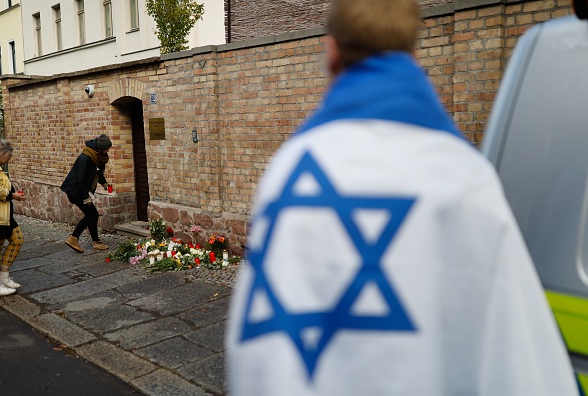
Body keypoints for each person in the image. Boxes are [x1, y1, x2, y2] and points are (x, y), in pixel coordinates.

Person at [225, 0, 579, 395]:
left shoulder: (290, 173)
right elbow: (515, 354)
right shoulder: (465, 175)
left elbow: (261, 345)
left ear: (331, 52)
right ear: (413, 52)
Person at [61, 134, 112, 253]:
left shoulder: (96, 158)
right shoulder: (86, 158)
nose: (107, 151)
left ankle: (96, 241)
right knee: (92, 214)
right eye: (106, 149)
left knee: (92, 214)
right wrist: (85, 197)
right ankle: (73, 238)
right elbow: (79, 179)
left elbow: (97, 172)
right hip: (75, 191)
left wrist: (104, 183)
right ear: (100, 149)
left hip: (81, 190)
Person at [0, 138, 25, 296]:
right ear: (0, 153)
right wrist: (12, 195)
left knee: (17, 239)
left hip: (4, 214)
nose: (10, 157)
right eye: (8, 154)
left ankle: (4, 277)